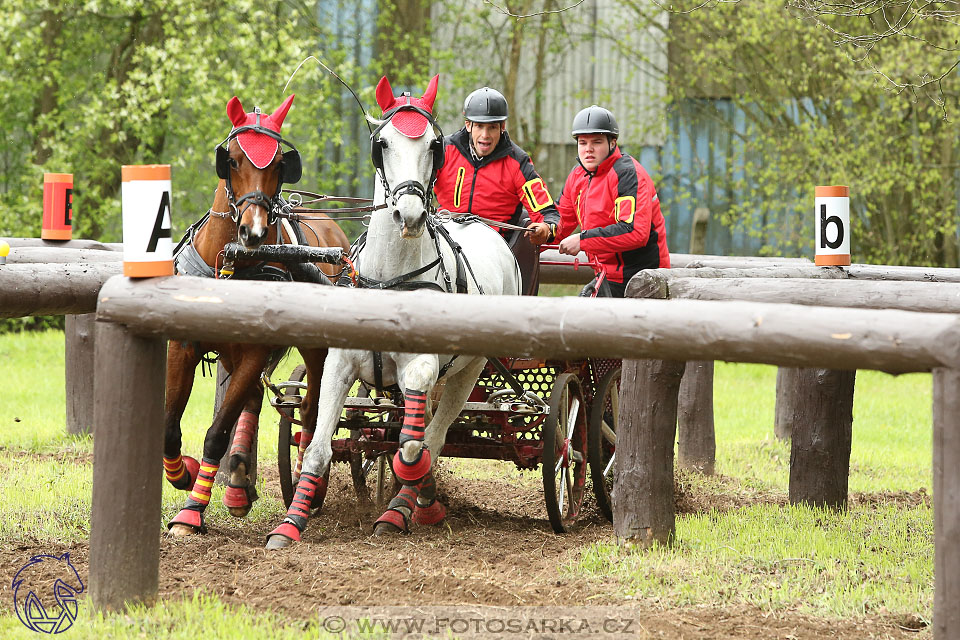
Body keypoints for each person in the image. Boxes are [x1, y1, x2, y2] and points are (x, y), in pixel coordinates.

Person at [434, 87, 560, 294]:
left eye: (492, 127)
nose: (485, 135)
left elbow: (549, 213)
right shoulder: (443, 150)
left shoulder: (517, 162)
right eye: (480, 127)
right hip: (445, 235)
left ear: (502, 127)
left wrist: (547, 228)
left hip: (494, 248)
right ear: (468, 125)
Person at [555, 105, 669, 297]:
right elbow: (561, 222)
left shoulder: (627, 173)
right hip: (607, 276)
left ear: (612, 142)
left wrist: (582, 240)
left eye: (596, 142)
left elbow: (633, 231)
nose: (588, 150)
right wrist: (537, 233)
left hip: (646, 278)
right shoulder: (577, 175)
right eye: (582, 143)